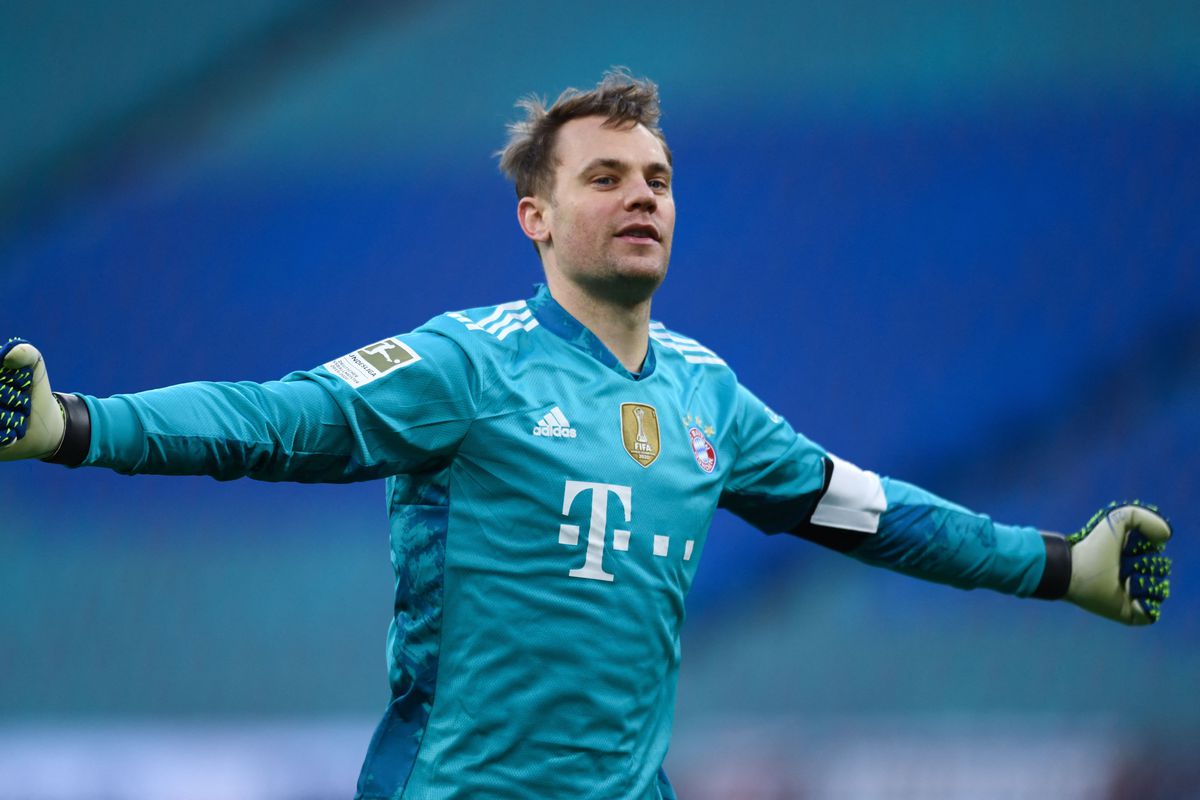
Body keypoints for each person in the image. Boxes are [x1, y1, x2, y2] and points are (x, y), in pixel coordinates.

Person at [0, 69, 1174, 799]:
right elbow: (273, 417)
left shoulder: (709, 397)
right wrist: (75, 425)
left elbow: (869, 512)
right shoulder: (466, 365)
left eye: (656, 176)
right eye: (606, 177)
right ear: (537, 216)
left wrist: (1061, 564)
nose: (643, 194)